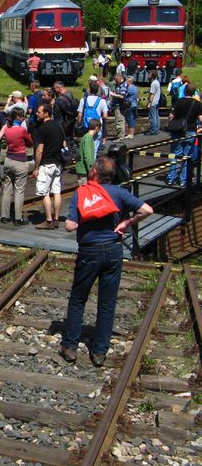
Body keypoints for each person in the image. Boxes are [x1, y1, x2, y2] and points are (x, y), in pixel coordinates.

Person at [60, 156, 153, 366]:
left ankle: (70, 346)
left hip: (89, 251)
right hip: (113, 250)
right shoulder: (119, 193)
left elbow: (70, 226)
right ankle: (100, 351)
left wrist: (84, 217)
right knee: (107, 302)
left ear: (94, 172)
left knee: (78, 298)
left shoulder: (82, 193)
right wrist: (126, 222)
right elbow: (147, 210)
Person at [32, 103, 65, 230]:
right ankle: (56, 218)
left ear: (46, 113)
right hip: (58, 162)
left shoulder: (43, 129)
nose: (37, 114)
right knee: (56, 191)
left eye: (39, 112)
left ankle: (48, 220)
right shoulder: (59, 127)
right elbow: (64, 143)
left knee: (44, 192)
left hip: (47, 163)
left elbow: (40, 149)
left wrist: (36, 167)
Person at [0, 108, 32, 225]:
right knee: (19, 191)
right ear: (19, 117)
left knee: (7, 189)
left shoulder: (7, 129)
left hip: (8, 160)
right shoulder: (21, 130)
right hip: (20, 161)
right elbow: (30, 142)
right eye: (23, 116)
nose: (23, 118)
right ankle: (18, 218)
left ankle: (4, 216)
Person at [165, 92, 202, 187]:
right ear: (194, 92)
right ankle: (183, 180)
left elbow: (171, 116)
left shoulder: (179, 101)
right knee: (187, 157)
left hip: (178, 132)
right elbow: (201, 119)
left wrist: (171, 125)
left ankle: (171, 178)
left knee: (174, 155)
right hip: (191, 132)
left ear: (185, 91)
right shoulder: (198, 104)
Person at [76, 82, 109, 156]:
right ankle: (92, 165)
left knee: (86, 146)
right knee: (94, 148)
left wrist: (79, 124)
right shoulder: (102, 101)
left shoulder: (83, 100)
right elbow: (105, 116)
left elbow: (80, 115)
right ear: (98, 91)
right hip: (97, 127)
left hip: (86, 125)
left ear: (89, 90)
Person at [76, 118, 101, 185]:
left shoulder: (86, 136)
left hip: (84, 170)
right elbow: (87, 156)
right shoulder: (88, 138)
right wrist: (91, 169)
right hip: (84, 171)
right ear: (96, 128)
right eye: (99, 129)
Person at [148, 70, 162, 135]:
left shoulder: (153, 83)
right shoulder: (157, 82)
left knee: (153, 117)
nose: (148, 76)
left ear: (152, 75)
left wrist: (149, 103)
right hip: (157, 101)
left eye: (149, 74)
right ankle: (157, 129)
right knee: (156, 116)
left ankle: (153, 131)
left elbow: (152, 94)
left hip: (153, 102)